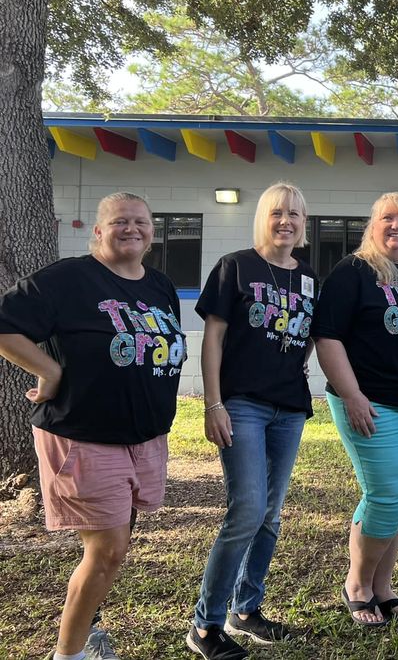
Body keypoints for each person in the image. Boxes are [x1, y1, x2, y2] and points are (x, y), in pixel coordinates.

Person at [0, 192, 186, 660]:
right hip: (83, 432)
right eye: (119, 221)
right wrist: (50, 371)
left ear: (151, 233)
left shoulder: (160, 286)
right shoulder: (69, 278)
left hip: (144, 437)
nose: (131, 229)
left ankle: (87, 630)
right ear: (97, 232)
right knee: (107, 550)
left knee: (112, 546)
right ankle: (69, 654)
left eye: (141, 222)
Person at [186, 183, 318, 660]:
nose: (286, 221)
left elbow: (304, 337)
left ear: (304, 223)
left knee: (270, 514)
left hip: (290, 407)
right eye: (278, 213)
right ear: (263, 217)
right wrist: (213, 403)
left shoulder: (308, 277)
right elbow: (213, 339)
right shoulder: (235, 266)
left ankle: (247, 609)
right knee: (246, 510)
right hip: (242, 404)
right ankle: (205, 625)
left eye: (295, 215)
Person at [312, 191, 398, 627]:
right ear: (373, 225)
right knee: (387, 497)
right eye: (387, 217)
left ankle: (383, 588)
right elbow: (328, 337)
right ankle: (357, 584)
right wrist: (352, 396)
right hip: (371, 401)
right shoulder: (354, 271)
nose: (396, 225)